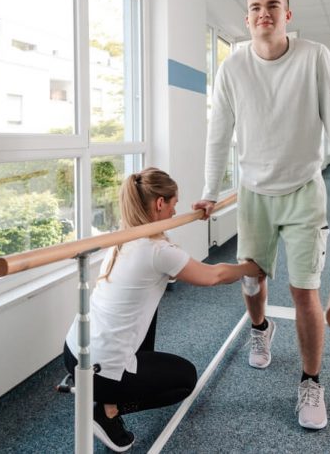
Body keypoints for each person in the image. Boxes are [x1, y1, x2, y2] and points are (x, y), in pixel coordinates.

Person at [193, 0, 330, 430]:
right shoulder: (232, 68)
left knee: (304, 292)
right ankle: (260, 331)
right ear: (247, 17)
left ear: (287, 15)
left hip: (302, 192)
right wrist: (211, 191)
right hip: (254, 193)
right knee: (252, 282)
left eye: (273, 6)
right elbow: (219, 135)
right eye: (255, 7)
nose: (263, 14)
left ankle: (311, 380)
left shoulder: (314, 57)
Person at [64, 167, 263, 452]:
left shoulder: (124, 237)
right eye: (173, 204)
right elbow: (213, 276)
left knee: (149, 304)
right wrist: (253, 268)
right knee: (184, 379)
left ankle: (107, 391)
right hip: (98, 369)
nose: (175, 211)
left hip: (73, 353)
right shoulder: (157, 251)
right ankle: (107, 411)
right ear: (160, 203)